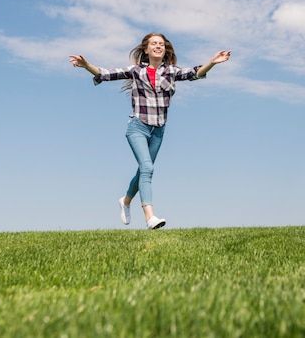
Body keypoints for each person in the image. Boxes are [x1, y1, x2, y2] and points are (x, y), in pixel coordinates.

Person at [69, 33, 231, 229]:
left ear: (165, 49)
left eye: (161, 44)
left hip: (158, 131)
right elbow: (105, 73)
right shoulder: (136, 71)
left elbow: (194, 73)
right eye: (154, 43)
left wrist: (212, 62)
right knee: (148, 169)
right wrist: (86, 65)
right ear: (146, 49)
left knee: (144, 171)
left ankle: (126, 201)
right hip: (138, 127)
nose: (158, 46)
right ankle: (150, 217)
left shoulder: (171, 72)